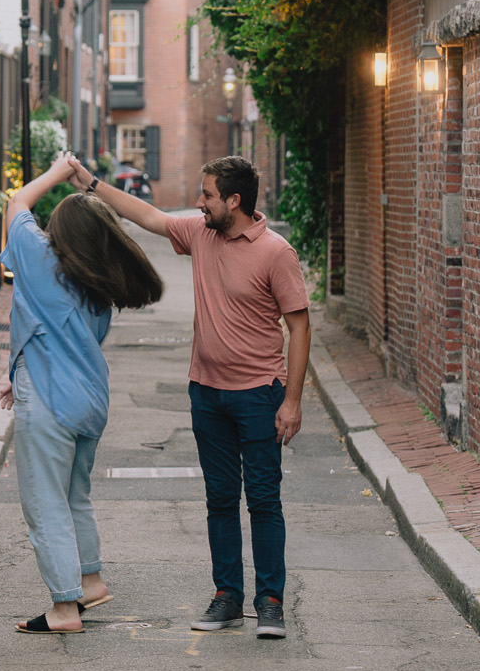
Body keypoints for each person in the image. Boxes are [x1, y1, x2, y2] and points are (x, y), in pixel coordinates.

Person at [66, 153, 309, 639]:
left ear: (234, 201)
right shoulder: (201, 234)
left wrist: (293, 401)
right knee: (220, 499)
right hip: (207, 394)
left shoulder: (276, 252)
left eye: (208, 195)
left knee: (263, 500)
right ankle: (227, 597)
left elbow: (299, 325)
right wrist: (91, 184)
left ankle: (270, 602)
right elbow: (148, 217)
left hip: (260, 394)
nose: (200, 204)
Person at [0, 152, 164, 634]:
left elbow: (16, 202)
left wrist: (59, 171)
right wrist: (18, 369)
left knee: (44, 503)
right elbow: (57, 336)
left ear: (63, 235)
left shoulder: (40, 259)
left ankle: (65, 608)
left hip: (49, 401)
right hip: (89, 400)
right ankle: (89, 582)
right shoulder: (98, 287)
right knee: (75, 497)